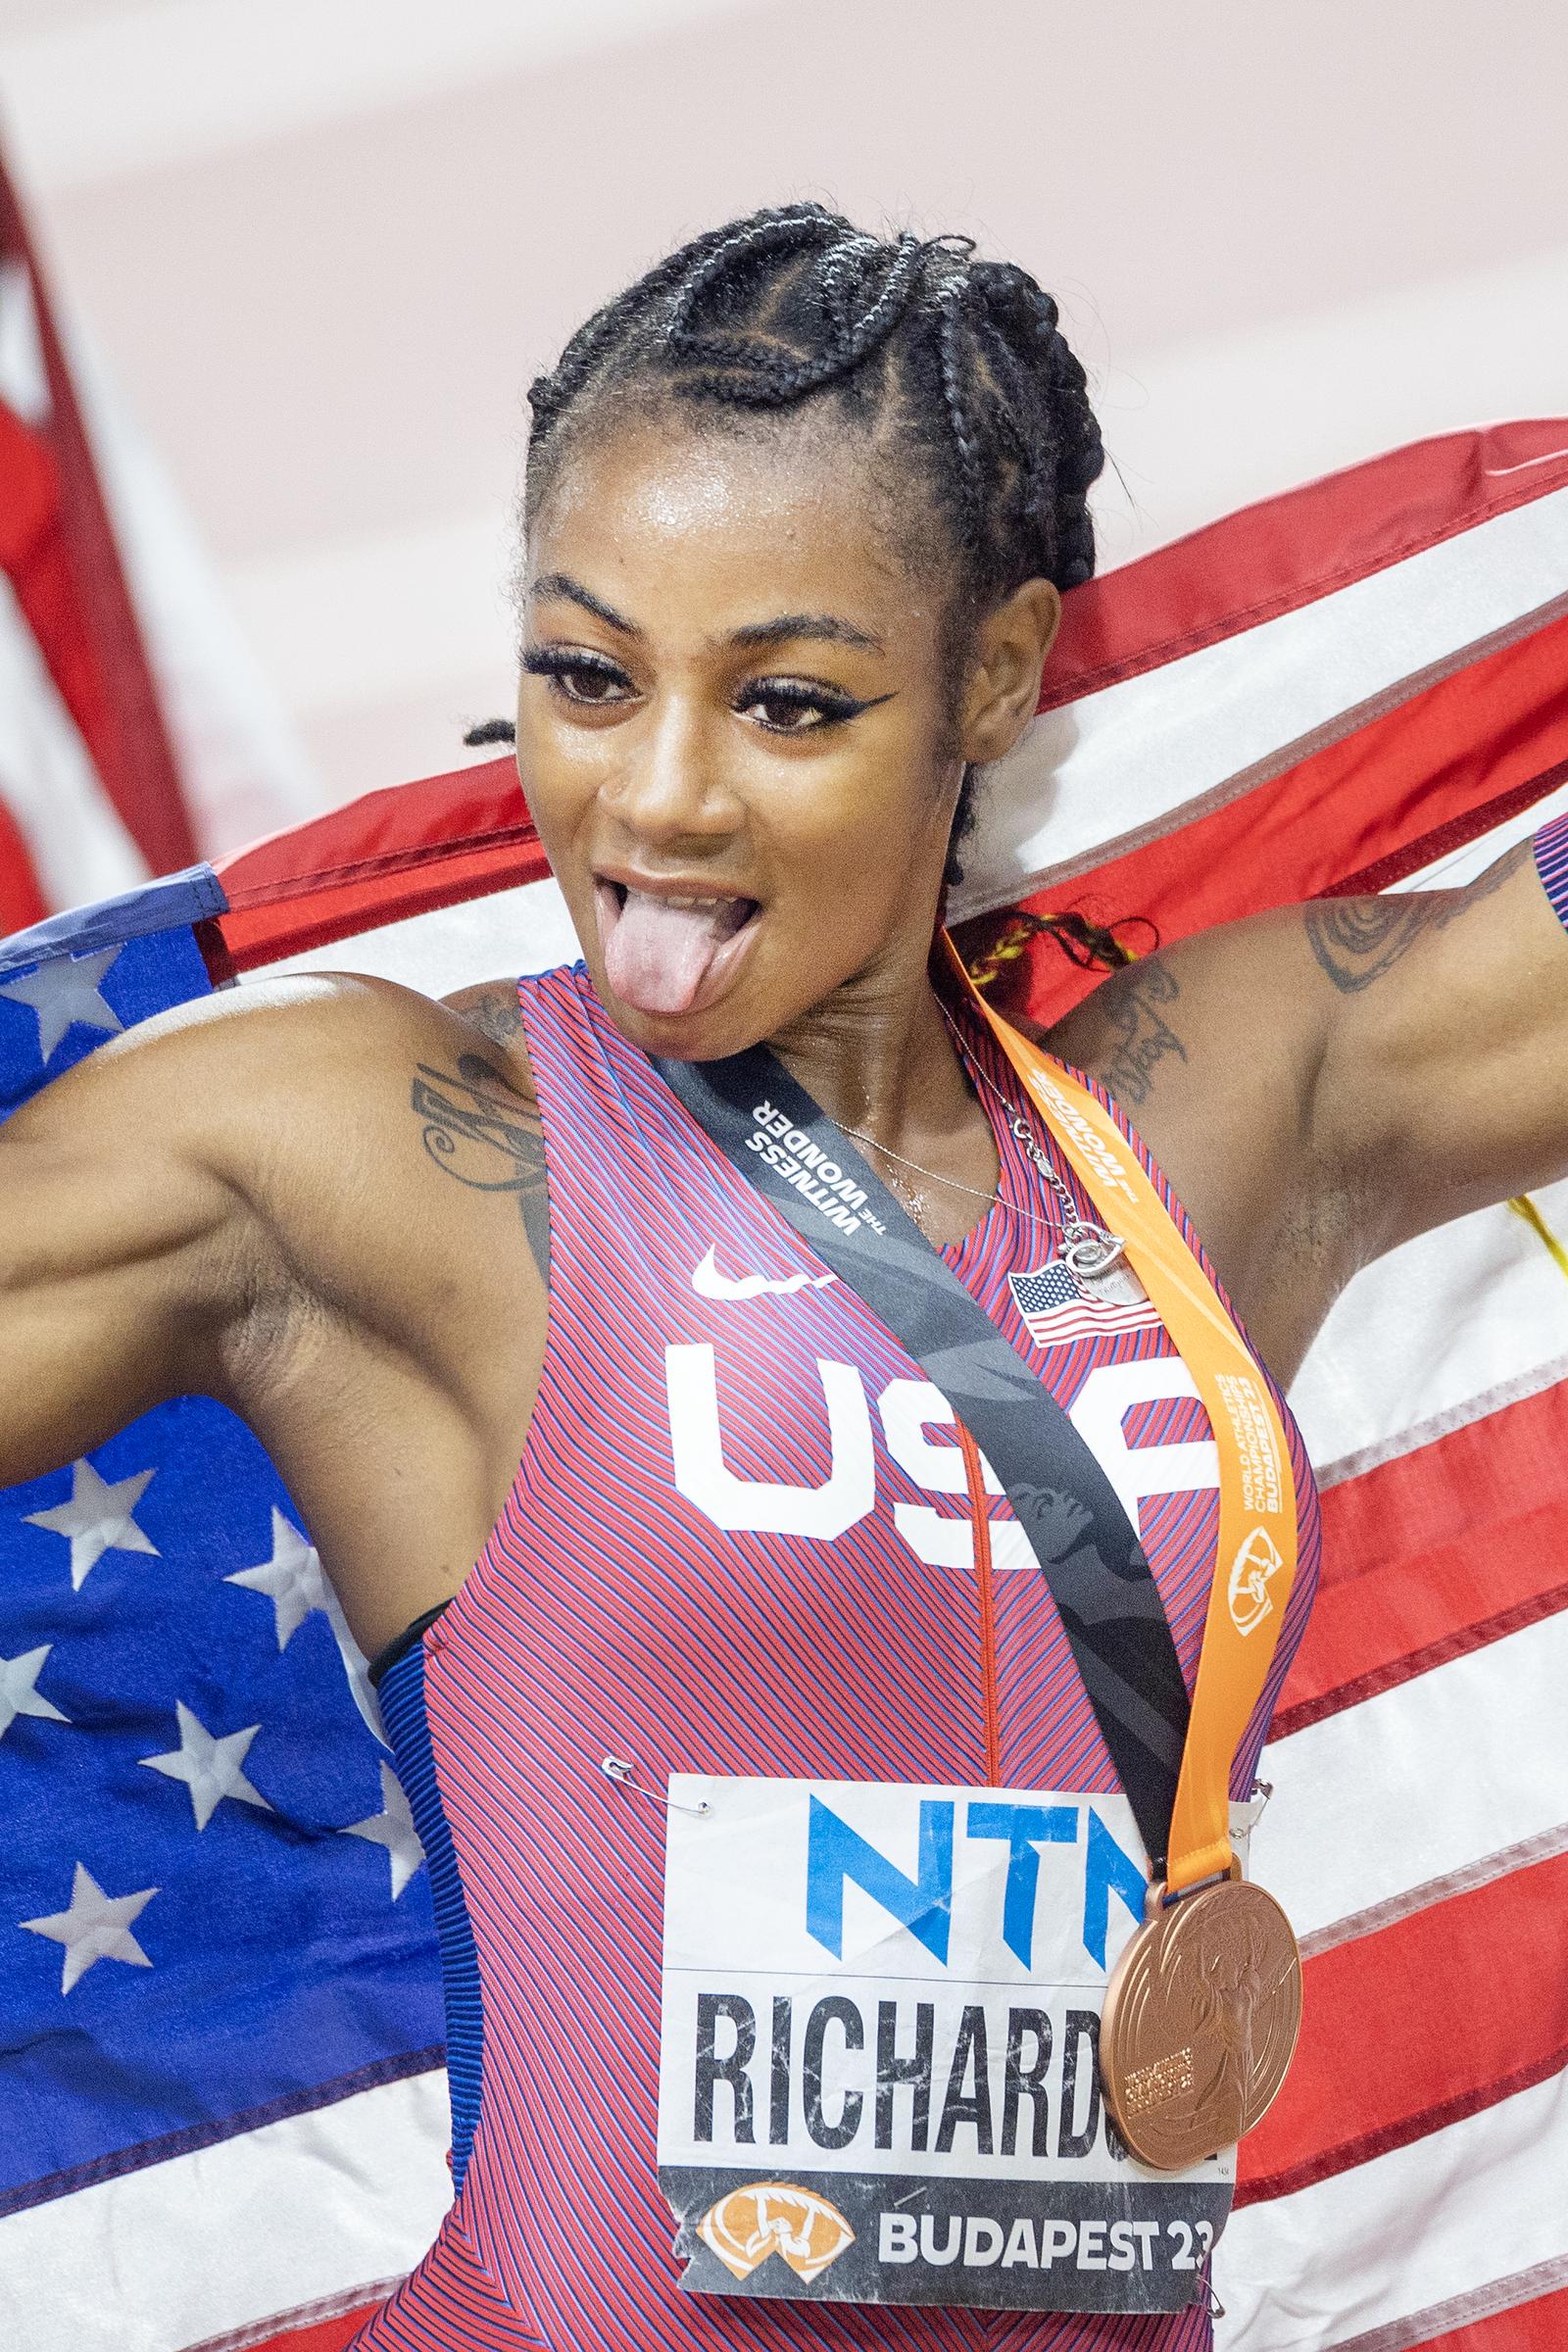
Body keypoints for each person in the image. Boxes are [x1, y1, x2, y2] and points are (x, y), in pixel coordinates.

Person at [3, 204, 1566, 2350]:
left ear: (995, 672)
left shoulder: (1220, 1122)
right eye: (581, 674)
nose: (654, 794)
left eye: (788, 704)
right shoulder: (372, 1158)